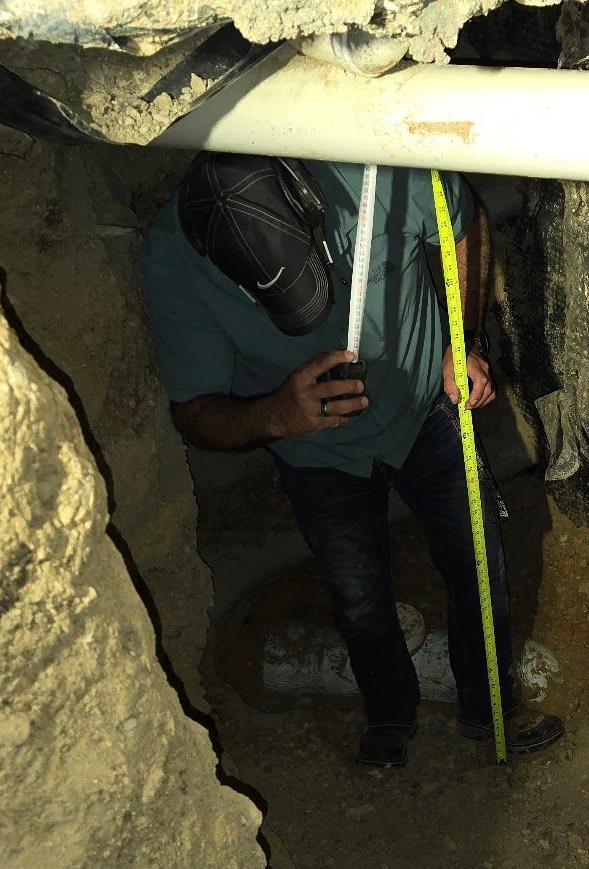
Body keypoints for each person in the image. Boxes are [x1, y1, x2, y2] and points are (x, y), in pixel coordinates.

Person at [138, 152, 564, 768]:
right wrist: (276, 416)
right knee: (359, 594)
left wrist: (461, 340)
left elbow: (463, 217)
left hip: (423, 405)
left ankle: (487, 706)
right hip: (318, 454)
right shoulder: (174, 259)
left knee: (478, 559)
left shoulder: (366, 166)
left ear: (313, 210)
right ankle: (390, 711)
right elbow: (194, 412)